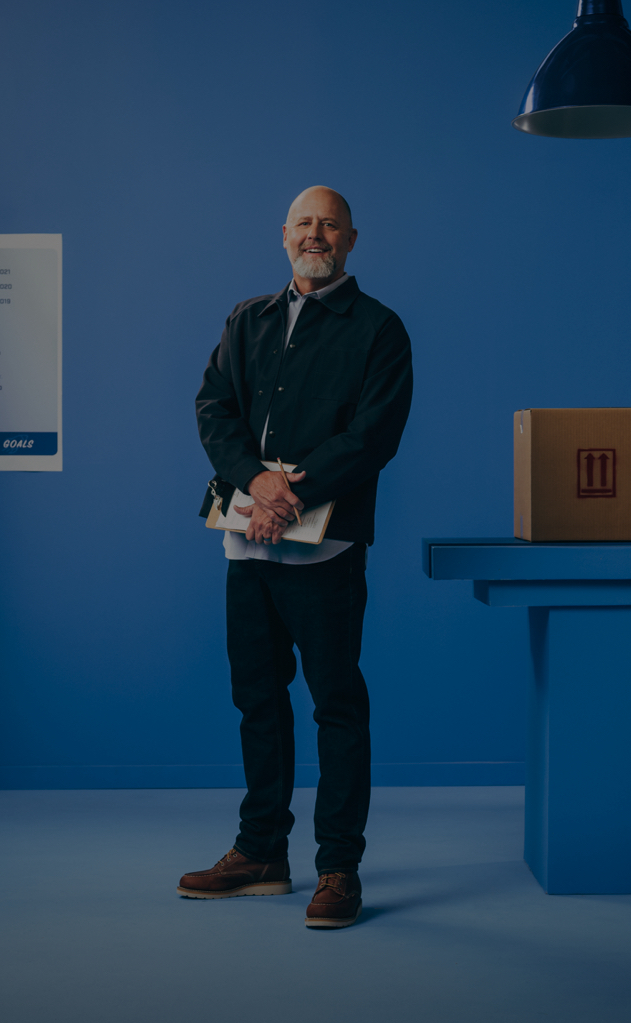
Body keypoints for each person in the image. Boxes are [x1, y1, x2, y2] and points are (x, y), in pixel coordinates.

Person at [183, 186, 413, 929]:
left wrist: (294, 487)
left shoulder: (380, 329)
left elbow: (374, 434)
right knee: (256, 696)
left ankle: (338, 866)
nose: (317, 234)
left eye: (331, 225)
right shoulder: (245, 319)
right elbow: (212, 406)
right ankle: (261, 853)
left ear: (352, 239)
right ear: (285, 235)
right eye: (305, 223)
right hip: (246, 537)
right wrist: (257, 480)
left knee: (336, 704)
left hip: (329, 547)